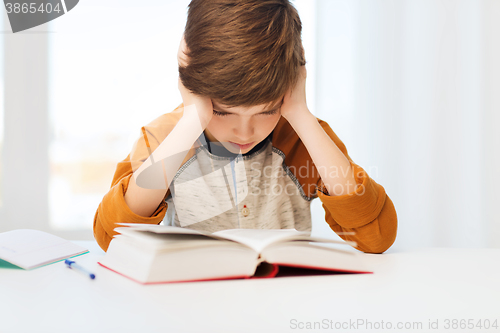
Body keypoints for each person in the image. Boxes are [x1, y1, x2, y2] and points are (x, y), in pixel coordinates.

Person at [93, 0, 397, 253]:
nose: (244, 132)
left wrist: (300, 113)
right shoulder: (167, 138)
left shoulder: (304, 138)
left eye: (266, 111)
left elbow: (376, 237)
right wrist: (192, 120)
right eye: (223, 113)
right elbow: (112, 239)